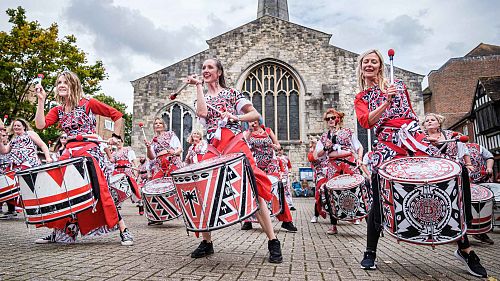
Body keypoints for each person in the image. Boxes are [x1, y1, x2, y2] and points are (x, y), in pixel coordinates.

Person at [354, 49, 487, 278]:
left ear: (380, 65)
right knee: (378, 196)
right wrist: (386, 103)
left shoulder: (398, 86)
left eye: (373, 61)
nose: (369, 64)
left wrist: (421, 135)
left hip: (413, 139)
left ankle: (465, 249)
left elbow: (411, 114)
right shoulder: (361, 97)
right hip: (387, 144)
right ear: (361, 67)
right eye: (365, 61)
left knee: (451, 179)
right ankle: (370, 251)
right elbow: (366, 122)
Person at [185, 58, 283, 263]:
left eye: (210, 67)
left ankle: (273, 241)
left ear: (219, 72)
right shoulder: (200, 97)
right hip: (213, 147)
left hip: (235, 143)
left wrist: (235, 117)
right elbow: (202, 114)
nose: (205, 70)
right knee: (203, 190)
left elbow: (255, 114)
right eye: (203, 68)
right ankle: (207, 242)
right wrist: (199, 88)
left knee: (255, 191)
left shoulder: (233, 94)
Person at [34, 70, 134, 246]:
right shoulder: (57, 110)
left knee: (99, 190)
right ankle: (59, 232)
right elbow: (40, 125)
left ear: (73, 84)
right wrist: (41, 101)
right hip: (69, 152)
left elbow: (117, 116)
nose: (61, 85)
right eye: (58, 83)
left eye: (65, 82)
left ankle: (123, 229)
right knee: (64, 192)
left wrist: (116, 137)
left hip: (90, 151)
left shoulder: (88, 103)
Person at [423, 114, 494, 246]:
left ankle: (466, 230)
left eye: (432, 120)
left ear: (439, 123)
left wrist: (468, 164)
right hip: (433, 174)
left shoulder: (452, 135)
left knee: (458, 201)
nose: (429, 122)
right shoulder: (421, 138)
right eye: (427, 121)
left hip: (453, 172)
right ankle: (436, 230)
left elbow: (463, 149)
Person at [240, 119, 298, 232]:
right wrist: (250, 130)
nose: (254, 122)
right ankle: (248, 220)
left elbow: (278, 145)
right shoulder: (247, 133)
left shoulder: (268, 131)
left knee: (277, 188)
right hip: (255, 165)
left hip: (270, 164)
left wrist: (276, 147)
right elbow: (244, 144)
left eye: (255, 120)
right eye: (251, 121)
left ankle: (286, 221)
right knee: (252, 191)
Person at [314, 108, 364, 234]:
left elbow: (359, 147)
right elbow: (317, 155)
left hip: (348, 162)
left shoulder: (347, 132)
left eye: (332, 117)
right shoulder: (325, 137)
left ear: (338, 119)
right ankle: (333, 225)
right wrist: (326, 147)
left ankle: (356, 215)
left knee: (354, 188)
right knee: (331, 192)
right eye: (328, 118)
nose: (330, 120)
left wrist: (360, 159)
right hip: (333, 165)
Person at [0, 118, 52, 220]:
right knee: (17, 190)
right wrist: (0, 140)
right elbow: (4, 150)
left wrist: (48, 157)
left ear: (24, 126)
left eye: (18, 125)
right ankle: (25, 209)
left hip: (29, 164)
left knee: (33, 188)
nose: (16, 127)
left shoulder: (30, 134)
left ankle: (42, 209)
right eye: (14, 126)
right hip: (16, 167)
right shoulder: (13, 140)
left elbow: (42, 144)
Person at [111, 135, 143, 215]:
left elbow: (134, 161)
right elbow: (111, 162)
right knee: (116, 187)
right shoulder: (114, 153)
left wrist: (135, 169)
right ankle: (118, 204)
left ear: (122, 142)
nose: (118, 144)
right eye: (116, 142)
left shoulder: (128, 150)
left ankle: (140, 203)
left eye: (119, 142)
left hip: (126, 170)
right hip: (117, 171)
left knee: (132, 187)